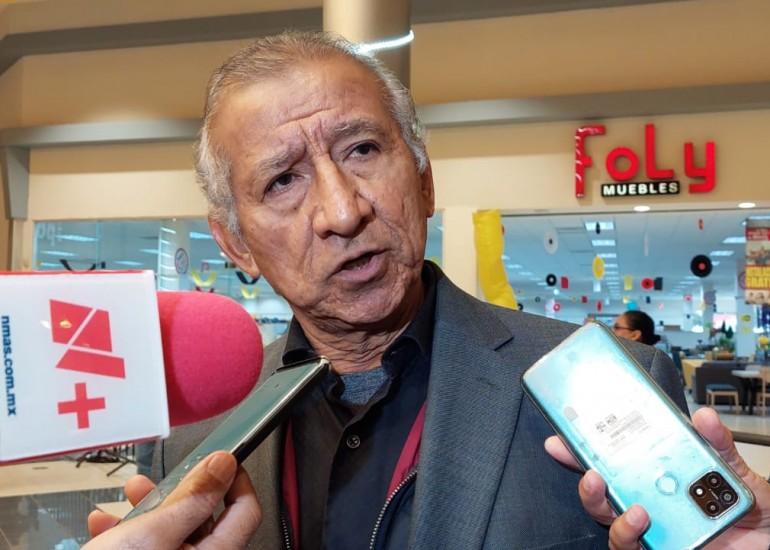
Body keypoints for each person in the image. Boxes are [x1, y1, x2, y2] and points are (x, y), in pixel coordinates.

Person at [87, 31, 770, 549]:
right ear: (236, 244)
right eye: (282, 180)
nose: (342, 211)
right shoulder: (191, 440)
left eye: (362, 150)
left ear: (423, 180)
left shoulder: (608, 384)